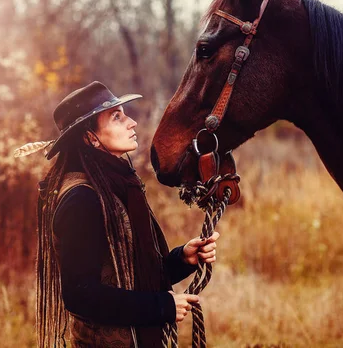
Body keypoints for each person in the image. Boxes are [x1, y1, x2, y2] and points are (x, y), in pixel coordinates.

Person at [18, 81, 220, 347]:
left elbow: (132, 278)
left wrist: (183, 258)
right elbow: (81, 295)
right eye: (117, 117)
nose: (132, 122)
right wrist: (161, 306)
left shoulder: (118, 185)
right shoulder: (82, 199)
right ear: (90, 137)